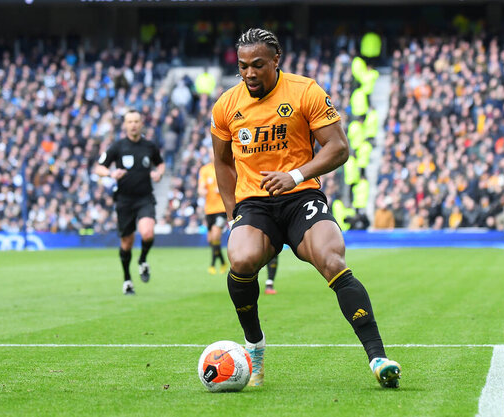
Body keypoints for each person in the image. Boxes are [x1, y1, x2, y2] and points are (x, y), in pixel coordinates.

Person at [210, 28, 401, 388]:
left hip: (301, 197)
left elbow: (338, 147)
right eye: (243, 66)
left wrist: (295, 175)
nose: (249, 73)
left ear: (276, 61)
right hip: (255, 202)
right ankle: (255, 347)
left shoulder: (305, 92)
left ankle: (377, 357)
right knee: (241, 260)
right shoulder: (226, 105)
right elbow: (222, 160)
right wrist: (232, 209)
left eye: (258, 65)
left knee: (333, 259)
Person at [95, 109, 165, 295]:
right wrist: (111, 173)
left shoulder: (149, 146)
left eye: (136, 121)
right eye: (130, 121)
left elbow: (160, 163)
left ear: (141, 124)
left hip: (144, 198)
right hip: (124, 201)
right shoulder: (117, 147)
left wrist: (159, 173)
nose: (133, 124)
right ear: (125, 125)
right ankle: (127, 279)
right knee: (126, 243)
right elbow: (99, 167)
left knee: (147, 233)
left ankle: (142, 260)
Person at [198, 148, 228, 275]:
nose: (213, 156)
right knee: (211, 240)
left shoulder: (225, 168)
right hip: (209, 209)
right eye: (211, 154)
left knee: (216, 234)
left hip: (222, 208)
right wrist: (202, 191)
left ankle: (212, 264)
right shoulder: (205, 170)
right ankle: (222, 262)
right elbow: (200, 188)